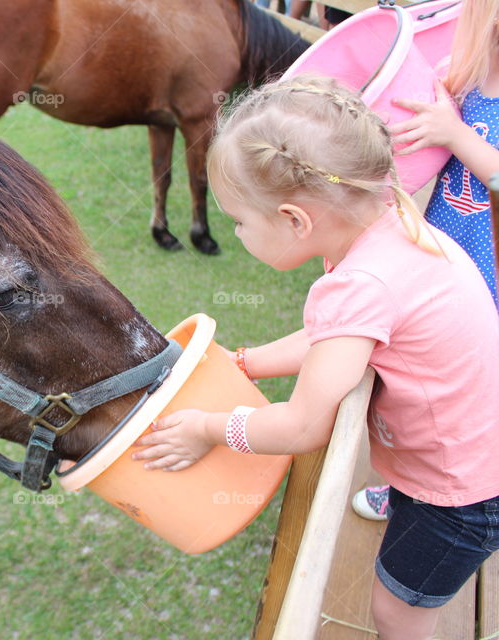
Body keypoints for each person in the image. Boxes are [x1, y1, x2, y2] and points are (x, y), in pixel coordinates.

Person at [132, 74, 499, 640]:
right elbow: (336, 342)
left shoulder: (359, 285)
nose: (237, 232)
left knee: (398, 610)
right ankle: (402, 498)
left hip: (464, 492)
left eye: (241, 222)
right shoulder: (393, 226)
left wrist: (207, 427)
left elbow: (303, 425)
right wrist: (247, 362)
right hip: (473, 452)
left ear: (294, 220)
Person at [351, 0, 499, 522]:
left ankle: (455, 495)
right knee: (414, 390)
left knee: (464, 396)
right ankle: (407, 486)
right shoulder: (473, 76)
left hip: (490, 278)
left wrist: (455, 133)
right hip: (444, 259)